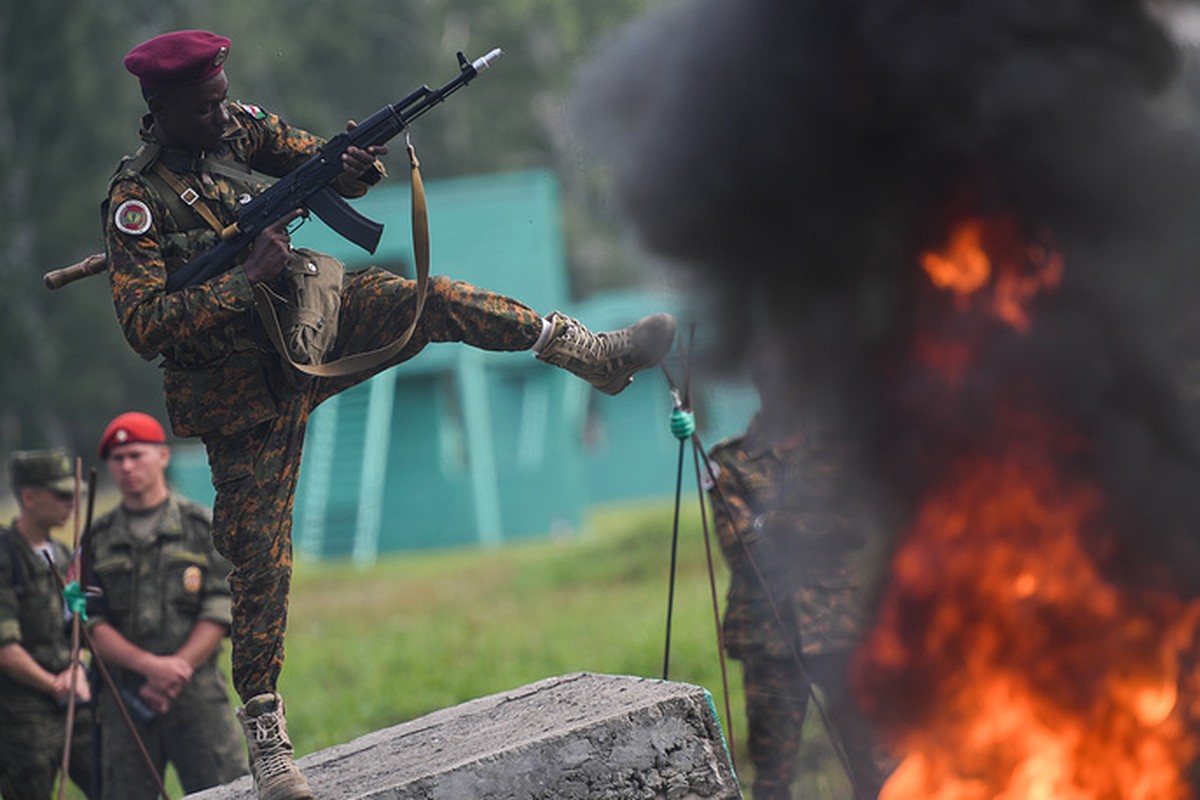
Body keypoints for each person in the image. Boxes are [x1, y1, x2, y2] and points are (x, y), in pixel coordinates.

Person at [103, 29, 676, 800]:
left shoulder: (240, 124)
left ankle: (588, 355)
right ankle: (269, 746)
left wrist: (353, 166)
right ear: (159, 106)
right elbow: (145, 329)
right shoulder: (135, 203)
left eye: (222, 96)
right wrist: (244, 279)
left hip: (313, 319)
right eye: (203, 108)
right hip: (242, 396)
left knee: (431, 301)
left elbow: (323, 167)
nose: (221, 116)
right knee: (260, 562)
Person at [705, 356, 887, 800]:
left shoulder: (837, 454)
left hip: (839, 626)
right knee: (772, 774)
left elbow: (857, 528)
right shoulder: (731, 460)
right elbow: (740, 546)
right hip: (768, 636)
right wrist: (803, 525)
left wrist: (775, 522)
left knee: (876, 760)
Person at [85, 412, 247, 798]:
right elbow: (90, 620)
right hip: (125, 702)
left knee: (227, 792)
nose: (126, 466)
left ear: (162, 456)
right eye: (117, 458)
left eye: (136, 455)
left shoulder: (201, 527)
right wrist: (151, 668)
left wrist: (175, 671)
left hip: (195, 696)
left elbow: (221, 604)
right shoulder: (95, 539)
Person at [0, 450, 95, 800]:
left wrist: (77, 668)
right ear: (29, 497)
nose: (72, 503)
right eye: (61, 495)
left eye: (74, 494)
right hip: (23, 715)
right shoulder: (7, 557)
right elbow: (6, 651)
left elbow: (77, 628)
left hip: (73, 702)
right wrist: (55, 683)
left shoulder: (63, 555)